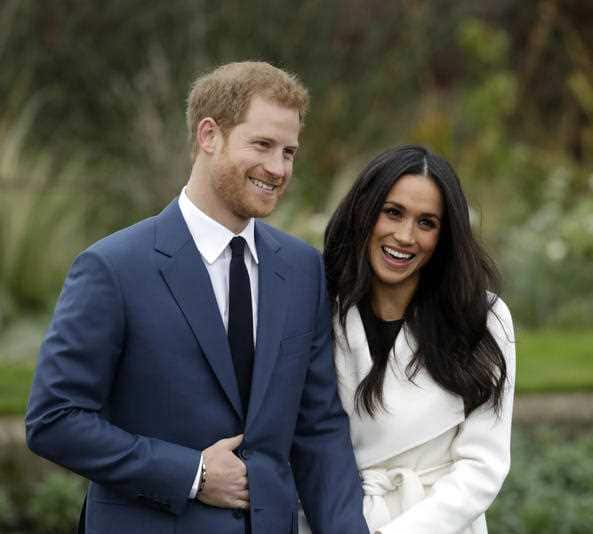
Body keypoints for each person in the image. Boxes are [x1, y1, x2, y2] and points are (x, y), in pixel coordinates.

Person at [26, 61, 369, 534]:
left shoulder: (302, 267)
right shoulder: (113, 267)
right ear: (209, 135)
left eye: (289, 151)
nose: (278, 168)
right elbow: (55, 419)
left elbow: (319, 429)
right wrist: (191, 474)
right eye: (263, 145)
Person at [303, 144, 516, 534]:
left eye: (426, 223)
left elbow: (483, 467)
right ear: (364, 213)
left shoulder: (482, 319)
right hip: (331, 519)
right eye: (393, 212)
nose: (405, 236)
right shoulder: (317, 309)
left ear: (445, 235)